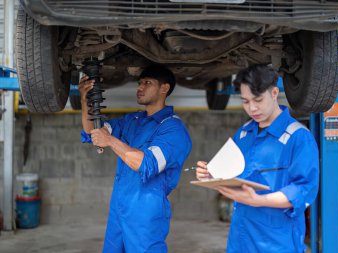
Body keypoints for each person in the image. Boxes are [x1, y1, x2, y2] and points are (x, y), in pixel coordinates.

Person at [196, 65, 319, 253]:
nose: (252, 108)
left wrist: (259, 200)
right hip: (241, 237)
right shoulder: (245, 133)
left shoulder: (299, 137)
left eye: (258, 100)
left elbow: (303, 189)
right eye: (245, 101)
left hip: (277, 242)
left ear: (274, 92)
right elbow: (229, 173)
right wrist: (209, 174)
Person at [79, 64, 192, 253]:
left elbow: (146, 164)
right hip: (119, 207)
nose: (140, 88)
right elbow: (94, 134)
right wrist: (85, 101)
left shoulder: (173, 129)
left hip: (145, 213)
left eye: (147, 83)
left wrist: (110, 140)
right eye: (139, 83)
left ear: (164, 88)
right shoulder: (133, 120)